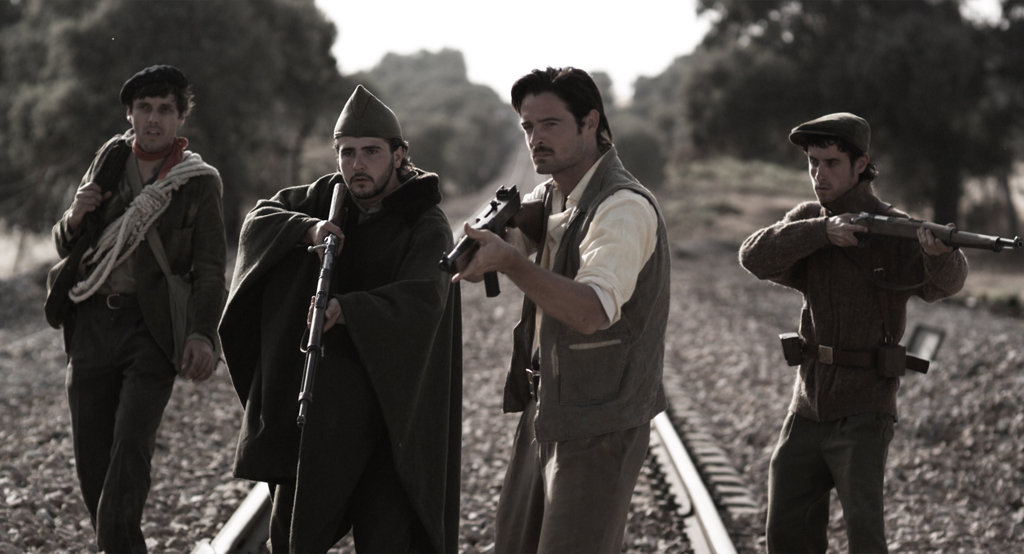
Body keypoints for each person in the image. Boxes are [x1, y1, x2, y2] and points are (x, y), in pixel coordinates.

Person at [219, 85, 461, 553]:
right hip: (323, 414)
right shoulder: (323, 198)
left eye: (371, 152)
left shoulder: (424, 222)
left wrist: (348, 309)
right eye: (347, 153)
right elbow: (258, 223)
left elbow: (424, 298)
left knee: (389, 539)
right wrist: (305, 229)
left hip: (389, 416)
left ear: (398, 154)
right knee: (294, 539)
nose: (357, 164)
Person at [452, 67, 670, 553]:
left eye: (550, 124)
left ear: (590, 122)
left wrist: (508, 261)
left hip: (599, 421)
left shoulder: (622, 207)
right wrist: (493, 238)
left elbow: (592, 311)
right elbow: (532, 226)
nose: (535, 139)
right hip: (546, 409)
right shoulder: (554, 194)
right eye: (528, 127)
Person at [738, 112, 968, 553]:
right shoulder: (810, 221)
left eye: (831, 163)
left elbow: (945, 285)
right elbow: (754, 256)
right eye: (812, 163)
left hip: (866, 407)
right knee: (786, 532)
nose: (819, 175)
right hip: (807, 404)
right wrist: (822, 232)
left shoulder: (894, 227)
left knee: (865, 537)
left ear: (861, 165)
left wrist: (940, 255)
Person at [44, 64, 227, 552]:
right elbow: (67, 245)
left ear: (180, 118)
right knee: (92, 460)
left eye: (165, 109)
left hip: (152, 329)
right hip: (91, 324)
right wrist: (76, 214)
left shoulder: (197, 183)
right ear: (130, 114)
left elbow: (211, 269)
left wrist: (201, 334)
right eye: (144, 108)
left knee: (130, 452)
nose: (153, 119)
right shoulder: (109, 160)